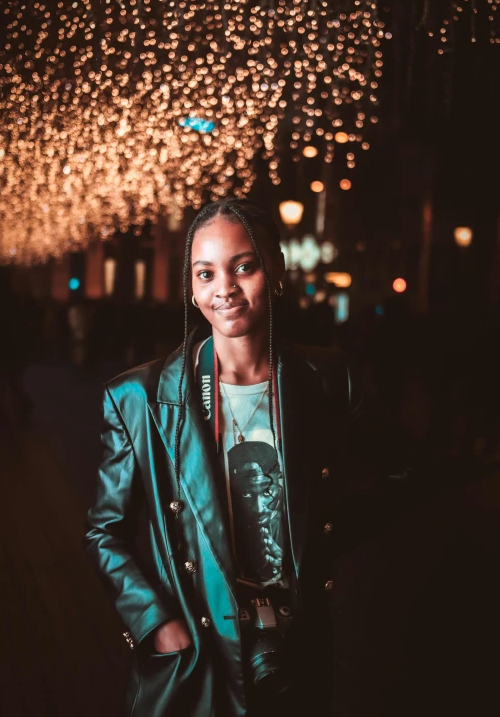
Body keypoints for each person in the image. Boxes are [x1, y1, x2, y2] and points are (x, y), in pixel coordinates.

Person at [84, 197, 414, 717]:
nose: (225, 289)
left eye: (244, 266)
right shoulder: (140, 400)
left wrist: (324, 531)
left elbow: (404, 469)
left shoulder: (326, 380)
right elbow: (104, 531)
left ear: (274, 271)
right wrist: (156, 624)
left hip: (294, 647)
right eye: (206, 273)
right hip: (197, 649)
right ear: (192, 290)